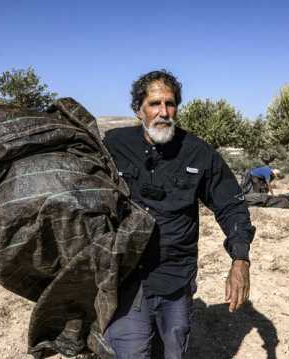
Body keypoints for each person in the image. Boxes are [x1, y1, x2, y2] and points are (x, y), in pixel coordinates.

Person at [102, 70, 256, 359]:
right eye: (154, 104)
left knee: (173, 352)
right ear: (138, 110)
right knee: (131, 352)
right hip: (126, 279)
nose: (163, 112)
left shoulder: (199, 153)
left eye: (170, 104)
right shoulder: (113, 145)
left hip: (176, 279)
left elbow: (231, 205)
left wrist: (240, 258)